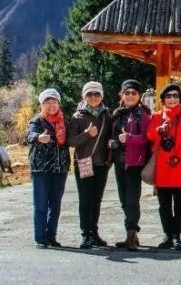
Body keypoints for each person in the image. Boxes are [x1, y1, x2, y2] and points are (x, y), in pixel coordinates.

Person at [147, 83, 181, 251]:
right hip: (162, 166)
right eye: (168, 96)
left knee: (180, 205)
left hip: (180, 165)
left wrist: (178, 156)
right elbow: (150, 135)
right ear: (163, 100)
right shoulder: (156, 117)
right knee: (164, 205)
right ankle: (167, 234)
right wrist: (159, 130)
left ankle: (177, 236)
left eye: (175, 96)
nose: (172, 99)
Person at [69, 81, 113, 250]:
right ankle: (85, 234)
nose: (93, 98)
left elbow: (110, 136)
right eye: (89, 94)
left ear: (101, 96)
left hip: (102, 164)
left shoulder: (107, 115)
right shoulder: (77, 116)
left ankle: (94, 232)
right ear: (84, 97)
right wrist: (87, 134)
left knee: (97, 200)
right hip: (84, 163)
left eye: (97, 94)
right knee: (85, 200)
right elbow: (71, 141)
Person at [110, 78, 152, 251]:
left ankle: (131, 235)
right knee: (123, 200)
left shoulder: (142, 114)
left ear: (139, 95)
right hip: (119, 161)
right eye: (126, 93)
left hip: (135, 163)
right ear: (121, 95)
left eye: (133, 93)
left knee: (132, 200)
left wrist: (130, 139)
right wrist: (112, 142)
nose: (130, 96)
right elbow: (111, 135)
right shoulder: (117, 114)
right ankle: (131, 233)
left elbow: (146, 138)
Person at [26, 88, 70, 248]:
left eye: (54, 102)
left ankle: (51, 236)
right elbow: (28, 136)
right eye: (47, 102)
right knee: (41, 205)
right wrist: (38, 137)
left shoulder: (65, 121)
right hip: (41, 169)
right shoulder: (37, 121)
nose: (51, 105)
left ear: (59, 104)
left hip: (60, 169)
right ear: (42, 105)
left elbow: (71, 139)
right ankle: (40, 238)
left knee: (55, 205)